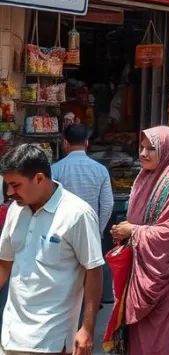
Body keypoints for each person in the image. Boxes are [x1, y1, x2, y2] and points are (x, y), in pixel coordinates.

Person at [0, 145, 104, 355]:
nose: (10, 193)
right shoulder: (15, 211)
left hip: (52, 339)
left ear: (39, 179)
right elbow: (4, 263)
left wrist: (87, 328)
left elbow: (93, 271)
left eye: (15, 185)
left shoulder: (77, 214)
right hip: (11, 336)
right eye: (7, 185)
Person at [110, 127, 169, 354]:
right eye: (142, 147)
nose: (143, 153)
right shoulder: (146, 178)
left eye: (151, 148)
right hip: (142, 272)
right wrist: (124, 231)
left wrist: (133, 231)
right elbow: (140, 220)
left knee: (167, 339)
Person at [53, 123, 114, 231]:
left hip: (63, 229)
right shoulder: (101, 170)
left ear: (65, 143)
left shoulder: (55, 169)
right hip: (90, 228)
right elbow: (107, 204)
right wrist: (98, 229)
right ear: (86, 142)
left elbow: (49, 202)